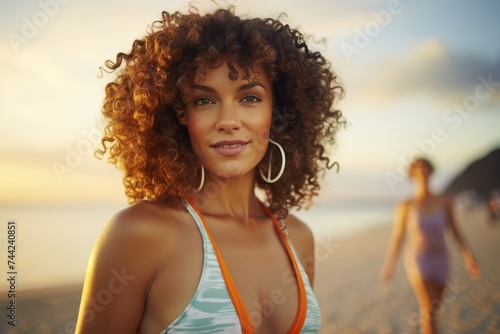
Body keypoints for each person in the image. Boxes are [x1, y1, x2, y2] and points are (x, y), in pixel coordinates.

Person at [76, 6, 344, 334]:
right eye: (204, 101)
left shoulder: (298, 238)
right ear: (179, 116)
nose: (228, 121)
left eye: (249, 97)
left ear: (278, 110)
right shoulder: (140, 233)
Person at [380, 158, 480, 334]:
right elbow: (397, 237)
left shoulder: (445, 200)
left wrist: (468, 255)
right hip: (419, 260)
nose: (422, 174)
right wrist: (389, 265)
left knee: (433, 312)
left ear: (431, 172)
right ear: (412, 175)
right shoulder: (406, 204)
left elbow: (455, 231)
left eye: (425, 169)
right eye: (417, 171)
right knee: (428, 306)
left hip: (441, 259)